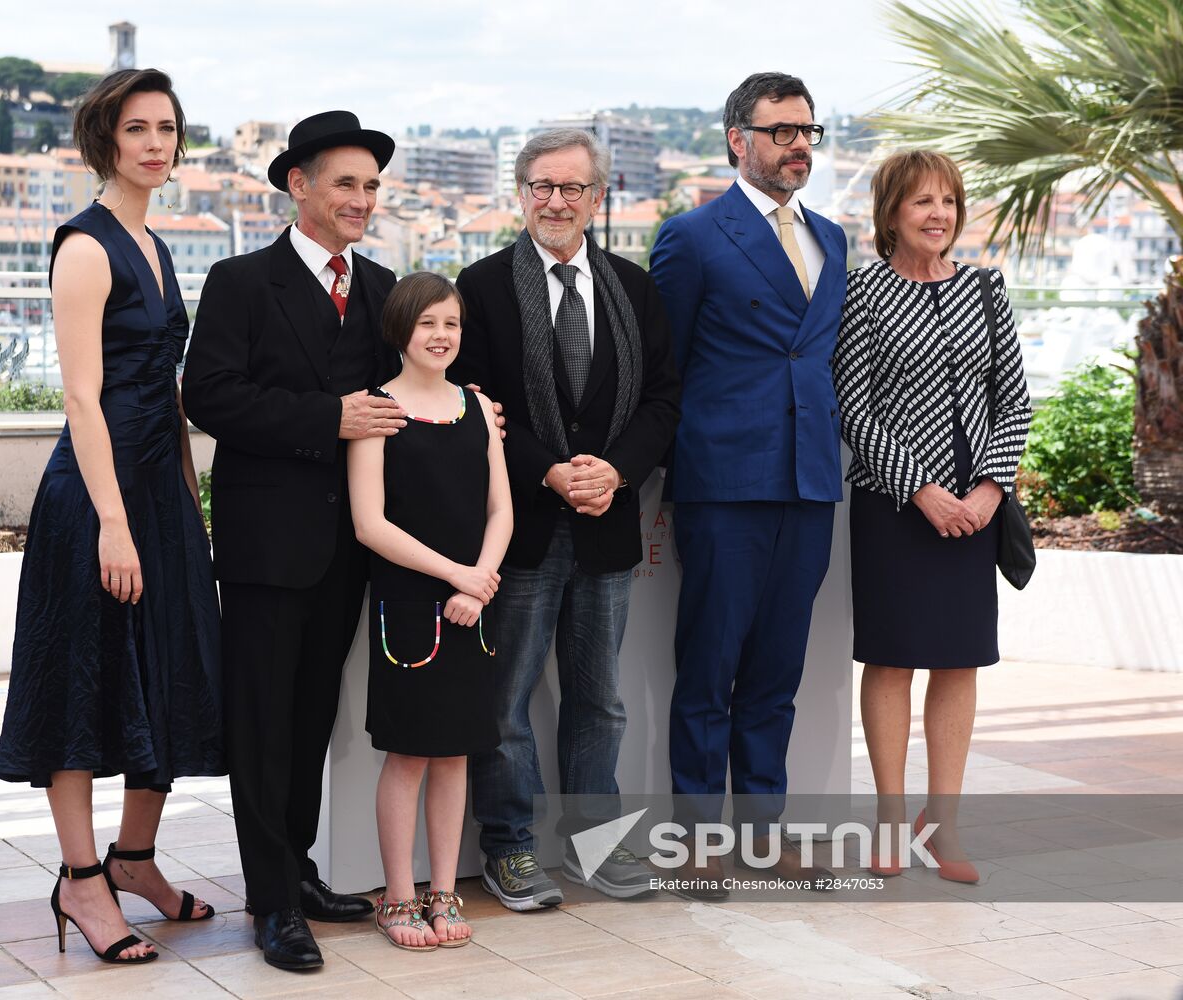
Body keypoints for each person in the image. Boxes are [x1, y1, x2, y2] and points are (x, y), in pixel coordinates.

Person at [0, 68, 223, 965]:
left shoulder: (158, 246)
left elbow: (162, 391)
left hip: (161, 494)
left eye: (167, 127)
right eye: (138, 128)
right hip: (95, 500)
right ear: (105, 139)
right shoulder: (86, 247)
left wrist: (183, 498)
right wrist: (114, 524)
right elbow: (82, 401)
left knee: (164, 673)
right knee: (81, 683)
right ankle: (82, 878)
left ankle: (136, 860)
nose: (157, 143)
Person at [181, 110, 403, 971]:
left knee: (313, 720)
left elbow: (413, 390)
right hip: (267, 545)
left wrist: (469, 410)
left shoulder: (385, 288)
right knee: (264, 726)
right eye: (345, 183)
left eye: (372, 186)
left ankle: (297, 870)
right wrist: (329, 418)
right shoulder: (241, 281)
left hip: (351, 545)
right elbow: (211, 397)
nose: (361, 199)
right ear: (297, 185)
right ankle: (271, 902)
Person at [451, 128, 681, 909]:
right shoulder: (478, 289)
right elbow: (473, 406)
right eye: (542, 186)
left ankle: (598, 846)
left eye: (572, 188)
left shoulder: (634, 288)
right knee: (504, 700)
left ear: (597, 198)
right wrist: (549, 469)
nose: (556, 200)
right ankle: (510, 849)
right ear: (520, 193)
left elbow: (662, 401)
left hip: (607, 522)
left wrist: (616, 471)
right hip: (519, 527)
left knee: (599, 700)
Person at [649, 72, 847, 894]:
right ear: (739, 139)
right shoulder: (692, 236)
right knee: (709, 668)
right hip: (724, 481)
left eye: (808, 131)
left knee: (777, 670)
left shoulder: (834, 238)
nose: (798, 144)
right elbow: (665, 368)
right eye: (781, 131)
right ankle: (698, 844)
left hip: (809, 482)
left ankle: (763, 838)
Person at [833, 149, 1031, 884]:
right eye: (922, 202)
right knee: (890, 657)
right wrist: (920, 489)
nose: (939, 214)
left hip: (976, 510)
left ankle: (943, 825)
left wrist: (989, 489)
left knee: (960, 658)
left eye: (948, 201)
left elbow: (1014, 400)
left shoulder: (986, 289)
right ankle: (890, 818)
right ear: (891, 213)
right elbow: (853, 406)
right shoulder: (864, 294)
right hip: (894, 506)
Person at [348, 272, 512, 950]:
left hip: (473, 604)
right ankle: (398, 897)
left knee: (456, 755)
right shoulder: (377, 410)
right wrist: (457, 578)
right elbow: (369, 524)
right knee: (411, 754)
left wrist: (478, 586)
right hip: (410, 608)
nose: (442, 336)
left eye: (452, 324)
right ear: (401, 332)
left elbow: (501, 508)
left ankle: (445, 892)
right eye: (428, 324)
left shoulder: (477, 408)